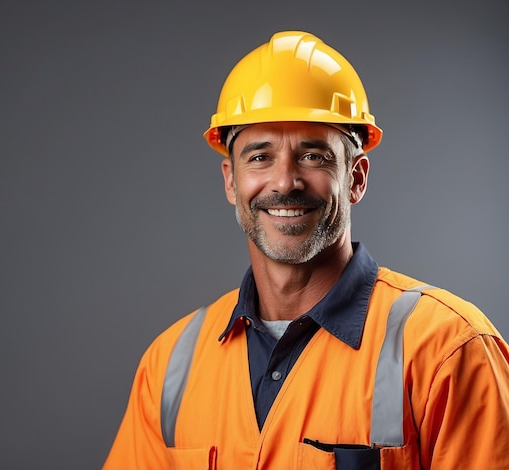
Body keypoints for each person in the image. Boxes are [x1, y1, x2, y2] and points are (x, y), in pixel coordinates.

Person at [103, 31, 509, 469]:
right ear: (230, 179)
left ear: (356, 177)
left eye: (313, 156)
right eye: (259, 156)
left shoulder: (446, 349)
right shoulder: (168, 367)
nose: (284, 182)